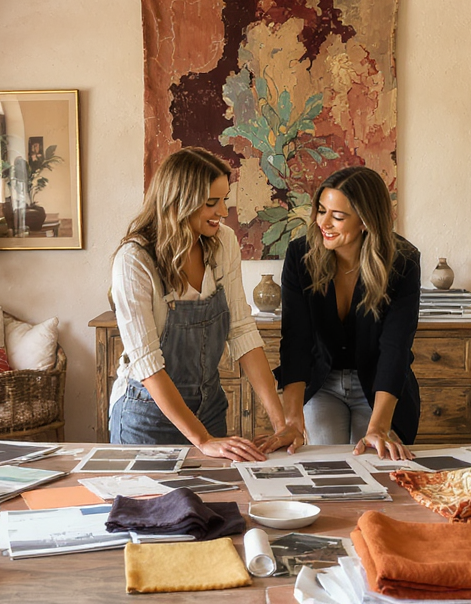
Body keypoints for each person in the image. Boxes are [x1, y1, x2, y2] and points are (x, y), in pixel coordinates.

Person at [108, 147, 296, 460]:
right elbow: (148, 364)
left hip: (209, 411)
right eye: (212, 203)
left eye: (225, 199)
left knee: (212, 507)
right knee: (152, 509)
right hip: (147, 418)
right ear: (178, 202)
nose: (223, 211)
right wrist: (203, 440)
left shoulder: (224, 242)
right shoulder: (134, 261)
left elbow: (242, 331)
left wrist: (280, 424)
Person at [262, 166, 421, 460]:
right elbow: (296, 340)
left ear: (365, 220)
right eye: (321, 210)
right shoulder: (300, 256)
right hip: (322, 383)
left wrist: (380, 427)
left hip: (377, 385)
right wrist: (292, 420)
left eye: (337, 216)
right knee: (325, 465)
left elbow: (396, 348)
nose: (324, 223)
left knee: (373, 463)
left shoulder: (403, 262)